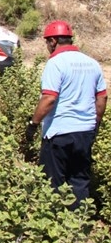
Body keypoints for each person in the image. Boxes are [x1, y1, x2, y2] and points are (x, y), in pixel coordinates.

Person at [27, 21, 107, 208]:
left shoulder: (55, 63)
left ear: (53, 41)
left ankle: (52, 224)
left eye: (47, 42)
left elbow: (49, 99)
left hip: (59, 133)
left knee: (51, 182)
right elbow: (102, 99)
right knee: (79, 180)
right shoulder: (92, 63)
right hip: (85, 133)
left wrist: (33, 124)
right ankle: (77, 226)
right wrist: (95, 124)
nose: (47, 46)